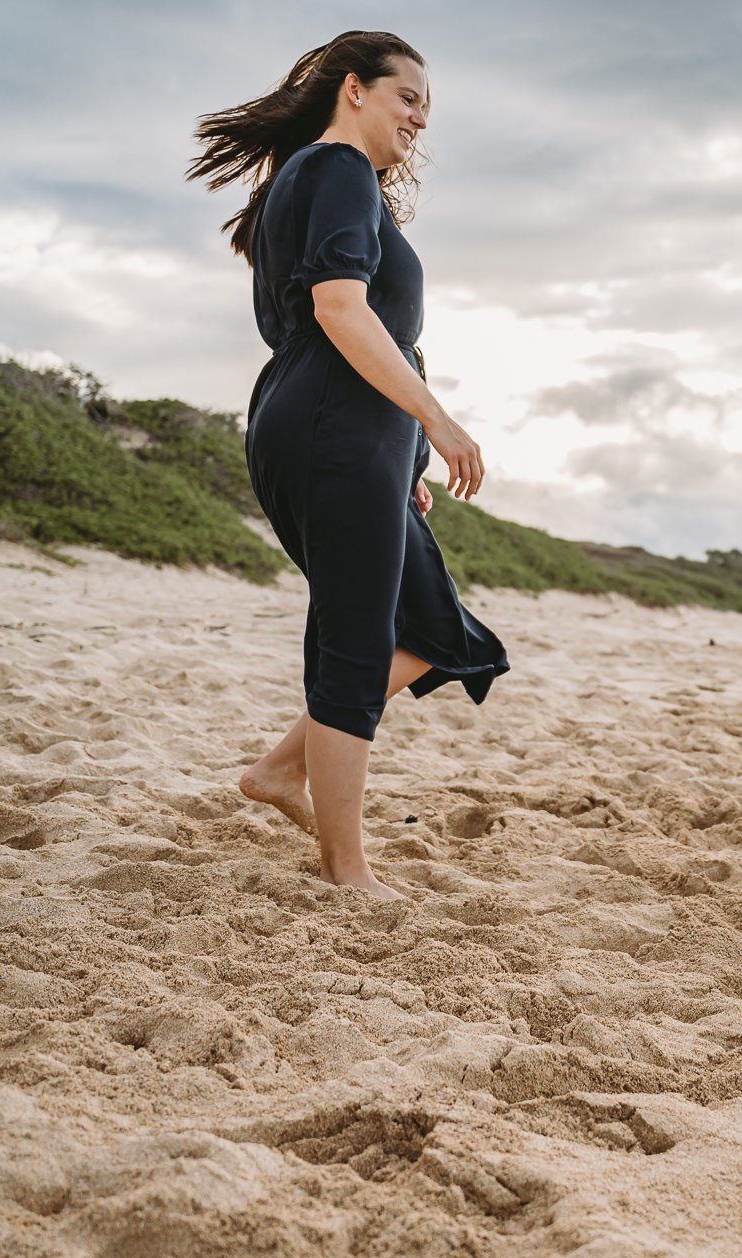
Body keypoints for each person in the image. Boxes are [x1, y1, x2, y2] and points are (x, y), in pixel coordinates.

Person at [189, 31, 508, 900]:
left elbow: (352, 327)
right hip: (331, 428)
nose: (419, 118)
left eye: (427, 109)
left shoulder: (322, 181)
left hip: (345, 434)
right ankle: (346, 868)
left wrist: (401, 455)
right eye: (408, 97)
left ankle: (280, 775)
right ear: (355, 89)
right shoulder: (334, 170)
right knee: (361, 638)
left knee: (435, 631)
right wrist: (436, 423)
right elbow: (337, 311)